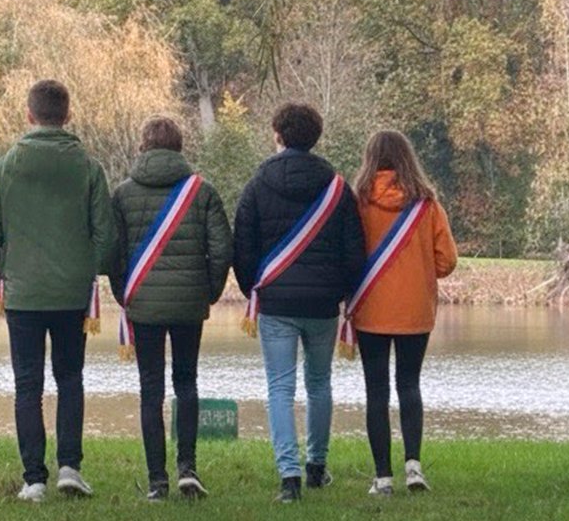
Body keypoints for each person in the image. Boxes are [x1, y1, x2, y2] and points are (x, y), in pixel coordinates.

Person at [0, 80, 118, 502]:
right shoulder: (88, 167)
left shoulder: (7, 165)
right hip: (72, 293)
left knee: (28, 384)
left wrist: (4, 271)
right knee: (70, 378)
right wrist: (87, 271)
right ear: (67, 115)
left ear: (29, 114)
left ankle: (34, 478)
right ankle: (70, 466)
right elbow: (106, 236)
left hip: (23, 293)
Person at [231, 103, 366, 504]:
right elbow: (354, 252)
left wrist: (255, 290)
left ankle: (288, 476)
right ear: (315, 137)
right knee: (319, 383)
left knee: (280, 388)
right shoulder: (337, 189)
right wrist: (339, 291)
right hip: (323, 303)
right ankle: (316, 467)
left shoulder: (257, 184)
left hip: (276, 302)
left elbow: (243, 247)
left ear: (278, 134)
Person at [106, 117, 232, 501]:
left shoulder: (123, 194)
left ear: (143, 146)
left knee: (151, 390)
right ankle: (187, 469)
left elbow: (113, 253)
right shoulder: (202, 191)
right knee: (186, 383)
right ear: (179, 146)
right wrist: (208, 293)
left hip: (143, 303)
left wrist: (124, 295)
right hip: (189, 303)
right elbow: (222, 249)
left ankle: (157, 481)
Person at [347, 130, 458, 496]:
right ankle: (413, 466)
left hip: (371, 311)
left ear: (370, 159)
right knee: (409, 385)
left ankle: (383, 477)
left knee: (376, 391)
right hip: (415, 311)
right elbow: (447, 261)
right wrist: (420, 269)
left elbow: (348, 254)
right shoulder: (427, 205)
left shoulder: (359, 203)